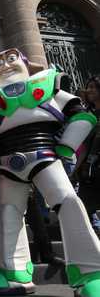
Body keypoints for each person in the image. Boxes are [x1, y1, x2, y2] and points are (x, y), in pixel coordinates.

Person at [0, 48, 100, 296]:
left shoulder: (46, 86)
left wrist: (66, 147)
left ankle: (91, 271)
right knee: (9, 214)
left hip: (45, 156)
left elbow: (81, 114)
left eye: (11, 59)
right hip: (8, 164)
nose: (5, 65)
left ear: (25, 63)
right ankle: (13, 272)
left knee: (69, 203)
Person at [77, 76, 100, 236]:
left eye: (93, 87)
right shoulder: (88, 114)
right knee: (83, 207)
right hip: (89, 169)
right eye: (88, 87)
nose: (90, 90)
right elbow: (84, 145)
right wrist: (77, 168)